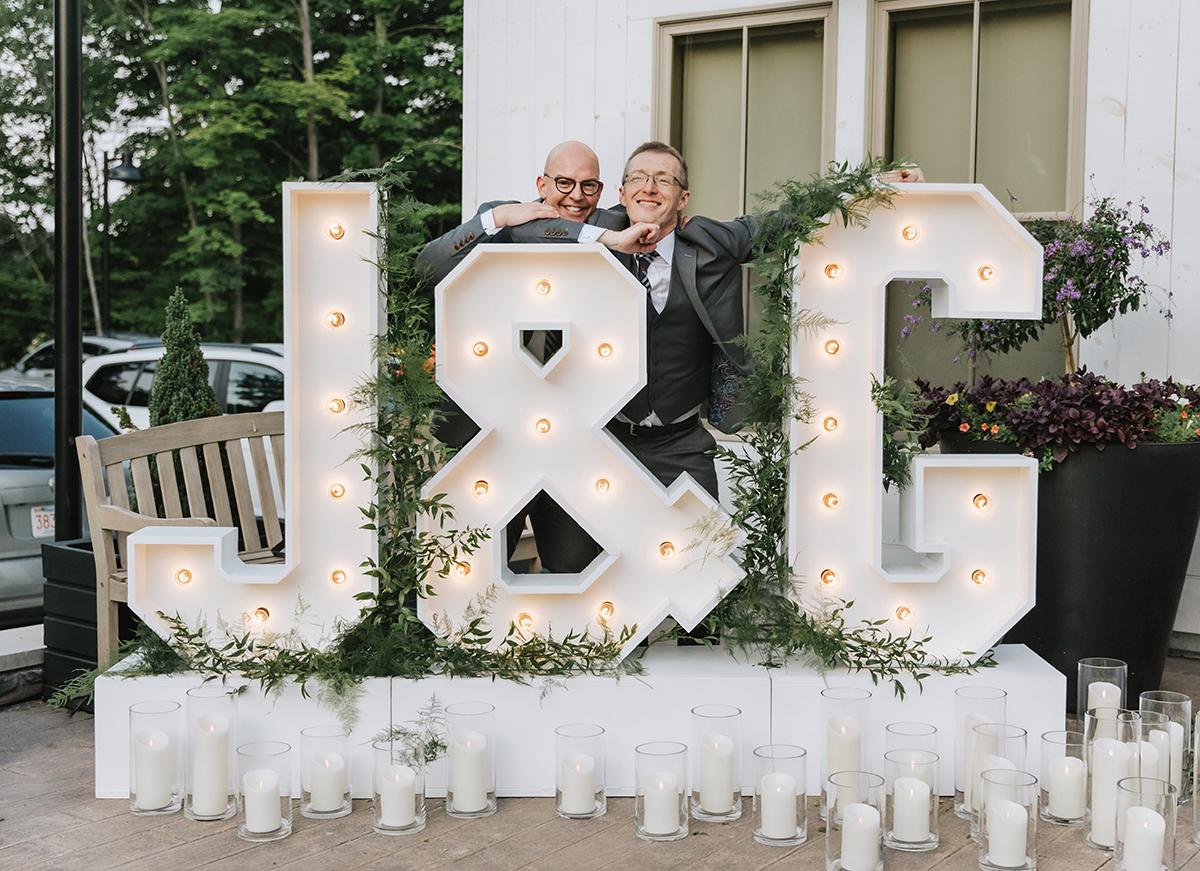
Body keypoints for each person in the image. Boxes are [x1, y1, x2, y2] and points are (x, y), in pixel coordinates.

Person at [416, 141, 649, 574]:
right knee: (471, 570)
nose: (576, 196)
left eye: (589, 185)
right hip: (487, 433)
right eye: (564, 183)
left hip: (572, 438)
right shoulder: (504, 221)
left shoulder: (615, 225)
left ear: (601, 190)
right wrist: (496, 219)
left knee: (575, 569)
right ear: (541, 184)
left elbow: (659, 215)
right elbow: (426, 267)